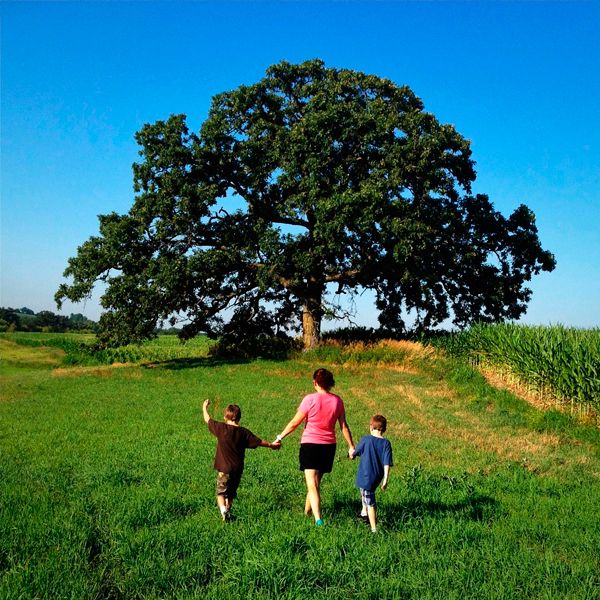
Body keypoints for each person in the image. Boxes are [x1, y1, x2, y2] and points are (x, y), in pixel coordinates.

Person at [274, 368, 355, 526]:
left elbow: (294, 423)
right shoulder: (337, 401)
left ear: (315, 382)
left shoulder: (309, 399)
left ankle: (318, 520)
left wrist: (279, 437)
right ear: (330, 383)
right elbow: (344, 426)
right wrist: (351, 446)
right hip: (328, 447)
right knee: (315, 484)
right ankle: (306, 513)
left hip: (310, 445)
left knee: (312, 484)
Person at [203, 399, 280, 521]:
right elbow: (259, 442)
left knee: (221, 492)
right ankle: (228, 511)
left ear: (225, 416)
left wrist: (204, 407)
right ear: (239, 418)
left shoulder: (221, 428)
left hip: (224, 469)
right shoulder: (244, 432)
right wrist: (271, 445)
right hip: (237, 469)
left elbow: (208, 420)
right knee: (231, 493)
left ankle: (223, 511)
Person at [349, 414, 393, 533]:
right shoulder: (386, 444)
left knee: (370, 503)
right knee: (365, 493)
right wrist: (385, 480)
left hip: (365, 475)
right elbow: (387, 463)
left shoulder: (366, 439)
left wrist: (351, 452)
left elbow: (354, 454)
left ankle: (373, 528)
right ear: (384, 429)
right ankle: (363, 514)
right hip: (376, 477)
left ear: (370, 427)